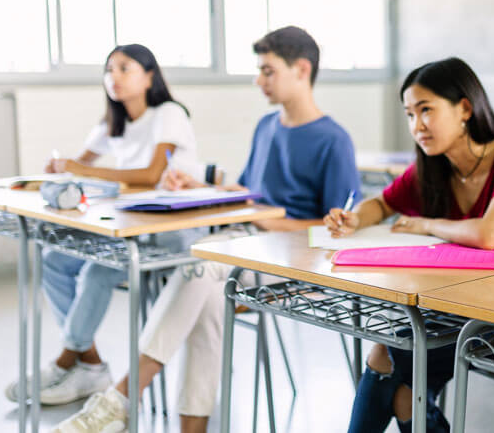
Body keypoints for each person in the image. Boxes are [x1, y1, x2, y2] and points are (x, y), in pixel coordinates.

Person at [53, 26, 361, 433]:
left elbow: (340, 230)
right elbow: (249, 191)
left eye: (267, 71)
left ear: (301, 69)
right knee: (209, 295)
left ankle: (122, 398)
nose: (258, 80)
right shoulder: (267, 126)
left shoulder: (333, 139)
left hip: (297, 267)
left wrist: (269, 219)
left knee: (204, 264)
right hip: (251, 252)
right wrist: (201, 187)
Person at [325, 57, 494, 433]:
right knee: (401, 391)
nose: (417, 126)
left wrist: (425, 224)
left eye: (426, 110)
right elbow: (382, 203)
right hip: (460, 307)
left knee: (388, 356)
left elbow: (490, 234)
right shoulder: (435, 166)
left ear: (465, 108)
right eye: (409, 115)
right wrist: (353, 219)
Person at [7, 44, 201, 408]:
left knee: (98, 270)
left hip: (172, 233)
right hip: (130, 226)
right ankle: (90, 363)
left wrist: (82, 170)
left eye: (125, 68)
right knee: (54, 259)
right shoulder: (114, 122)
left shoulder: (168, 113)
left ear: (149, 76)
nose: (114, 77)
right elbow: (76, 166)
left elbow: (149, 176)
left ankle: (68, 358)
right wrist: (60, 170)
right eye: (109, 70)